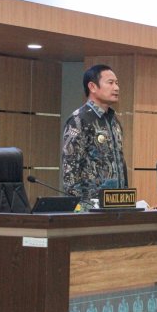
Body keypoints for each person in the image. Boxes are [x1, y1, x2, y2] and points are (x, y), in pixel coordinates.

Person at [62, 64, 127, 207]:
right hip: (90, 208)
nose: (116, 88)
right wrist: (78, 207)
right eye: (110, 83)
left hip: (118, 204)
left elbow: (120, 164)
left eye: (117, 83)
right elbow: (70, 171)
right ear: (92, 87)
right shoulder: (79, 120)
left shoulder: (114, 121)